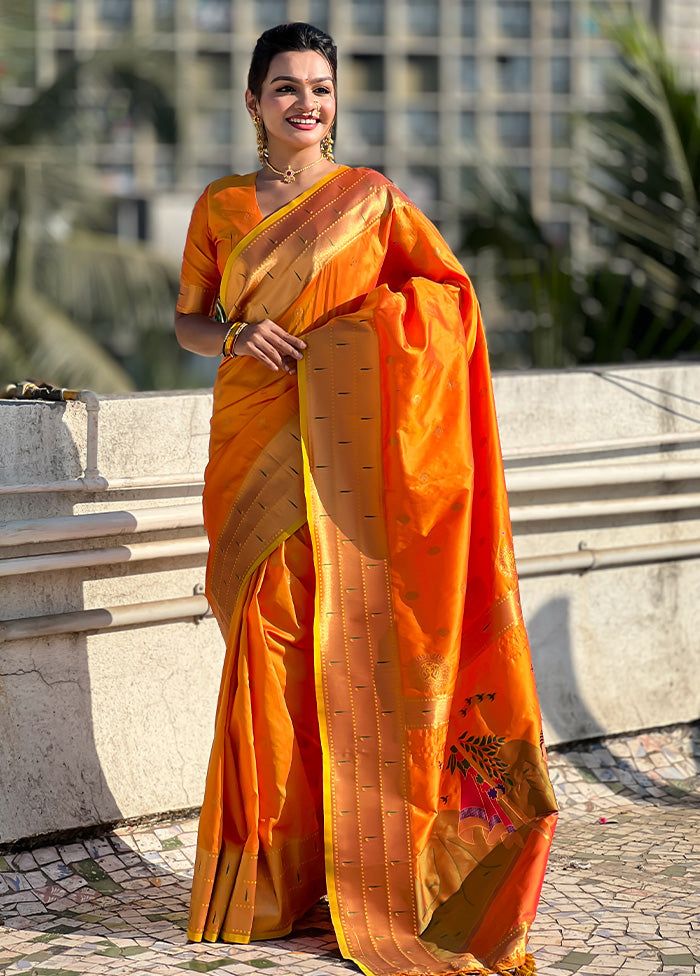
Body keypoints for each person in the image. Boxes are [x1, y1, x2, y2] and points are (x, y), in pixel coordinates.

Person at [175, 22, 557, 976]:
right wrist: (235, 336)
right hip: (255, 446)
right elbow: (188, 317)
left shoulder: (373, 203)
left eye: (321, 89)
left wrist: (361, 334)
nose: (306, 104)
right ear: (254, 102)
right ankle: (263, 882)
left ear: (335, 102)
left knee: (352, 649)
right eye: (285, 88)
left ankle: (367, 871)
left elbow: (448, 299)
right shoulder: (221, 206)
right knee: (268, 649)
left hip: (351, 464)